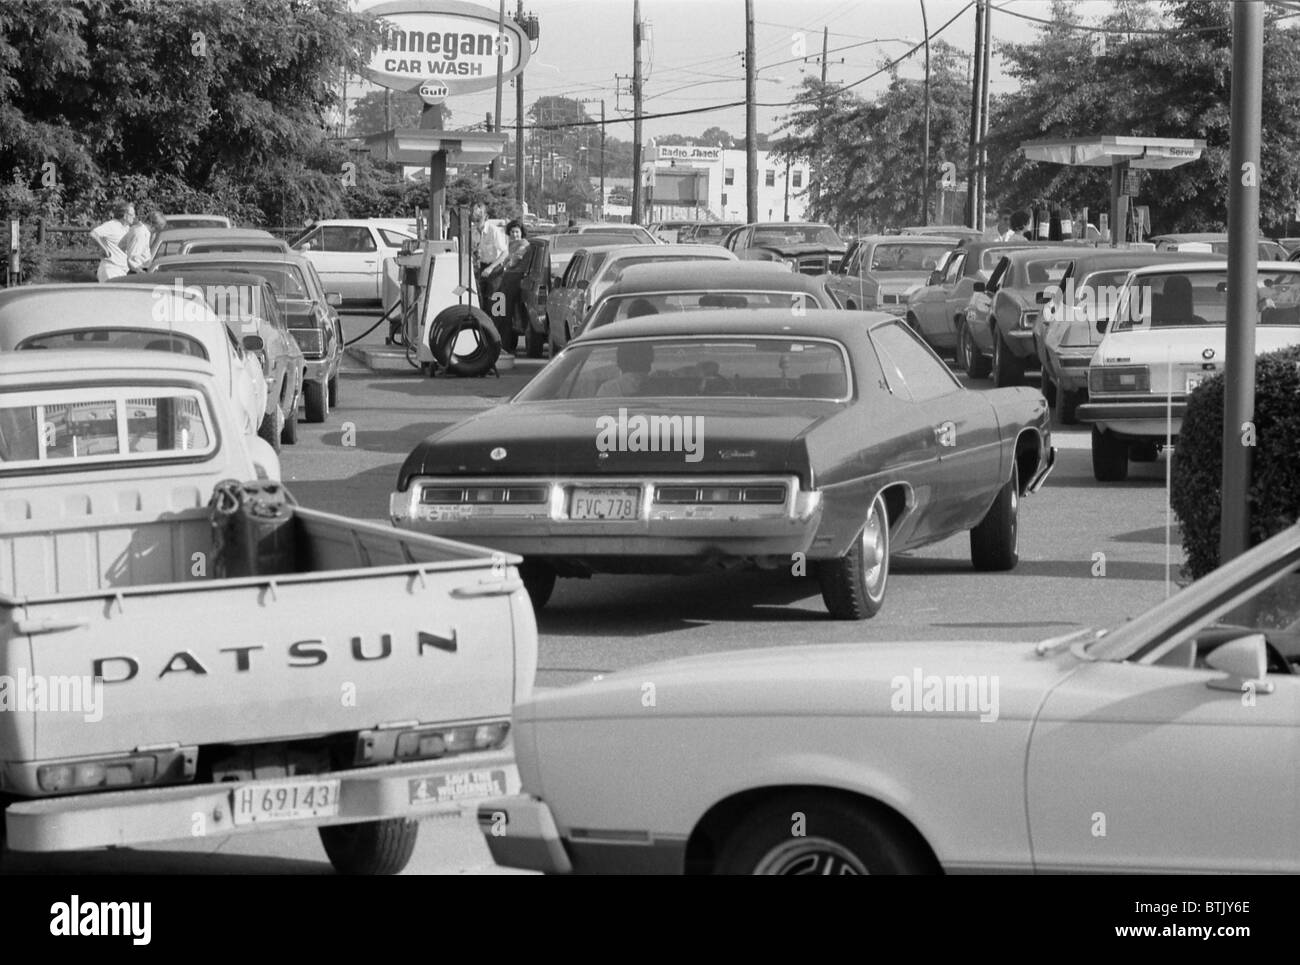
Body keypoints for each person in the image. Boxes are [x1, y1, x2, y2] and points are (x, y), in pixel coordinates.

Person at [471, 203, 508, 322]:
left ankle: (495, 332)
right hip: (481, 267)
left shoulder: (494, 231)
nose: (476, 223)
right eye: (474, 219)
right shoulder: (474, 232)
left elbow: (505, 253)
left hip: (495, 269)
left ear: (485, 217)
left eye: (478, 219)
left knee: (494, 304)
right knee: (482, 302)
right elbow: (473, 250)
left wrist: (491, 268)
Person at [89, 200, 135, 282]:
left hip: (122, 270)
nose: (134, 217)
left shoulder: (127, 228)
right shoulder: (112, 225)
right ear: (124, 215)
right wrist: (104, 249)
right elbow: (93, 234)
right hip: (110, 269)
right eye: (132, 214)